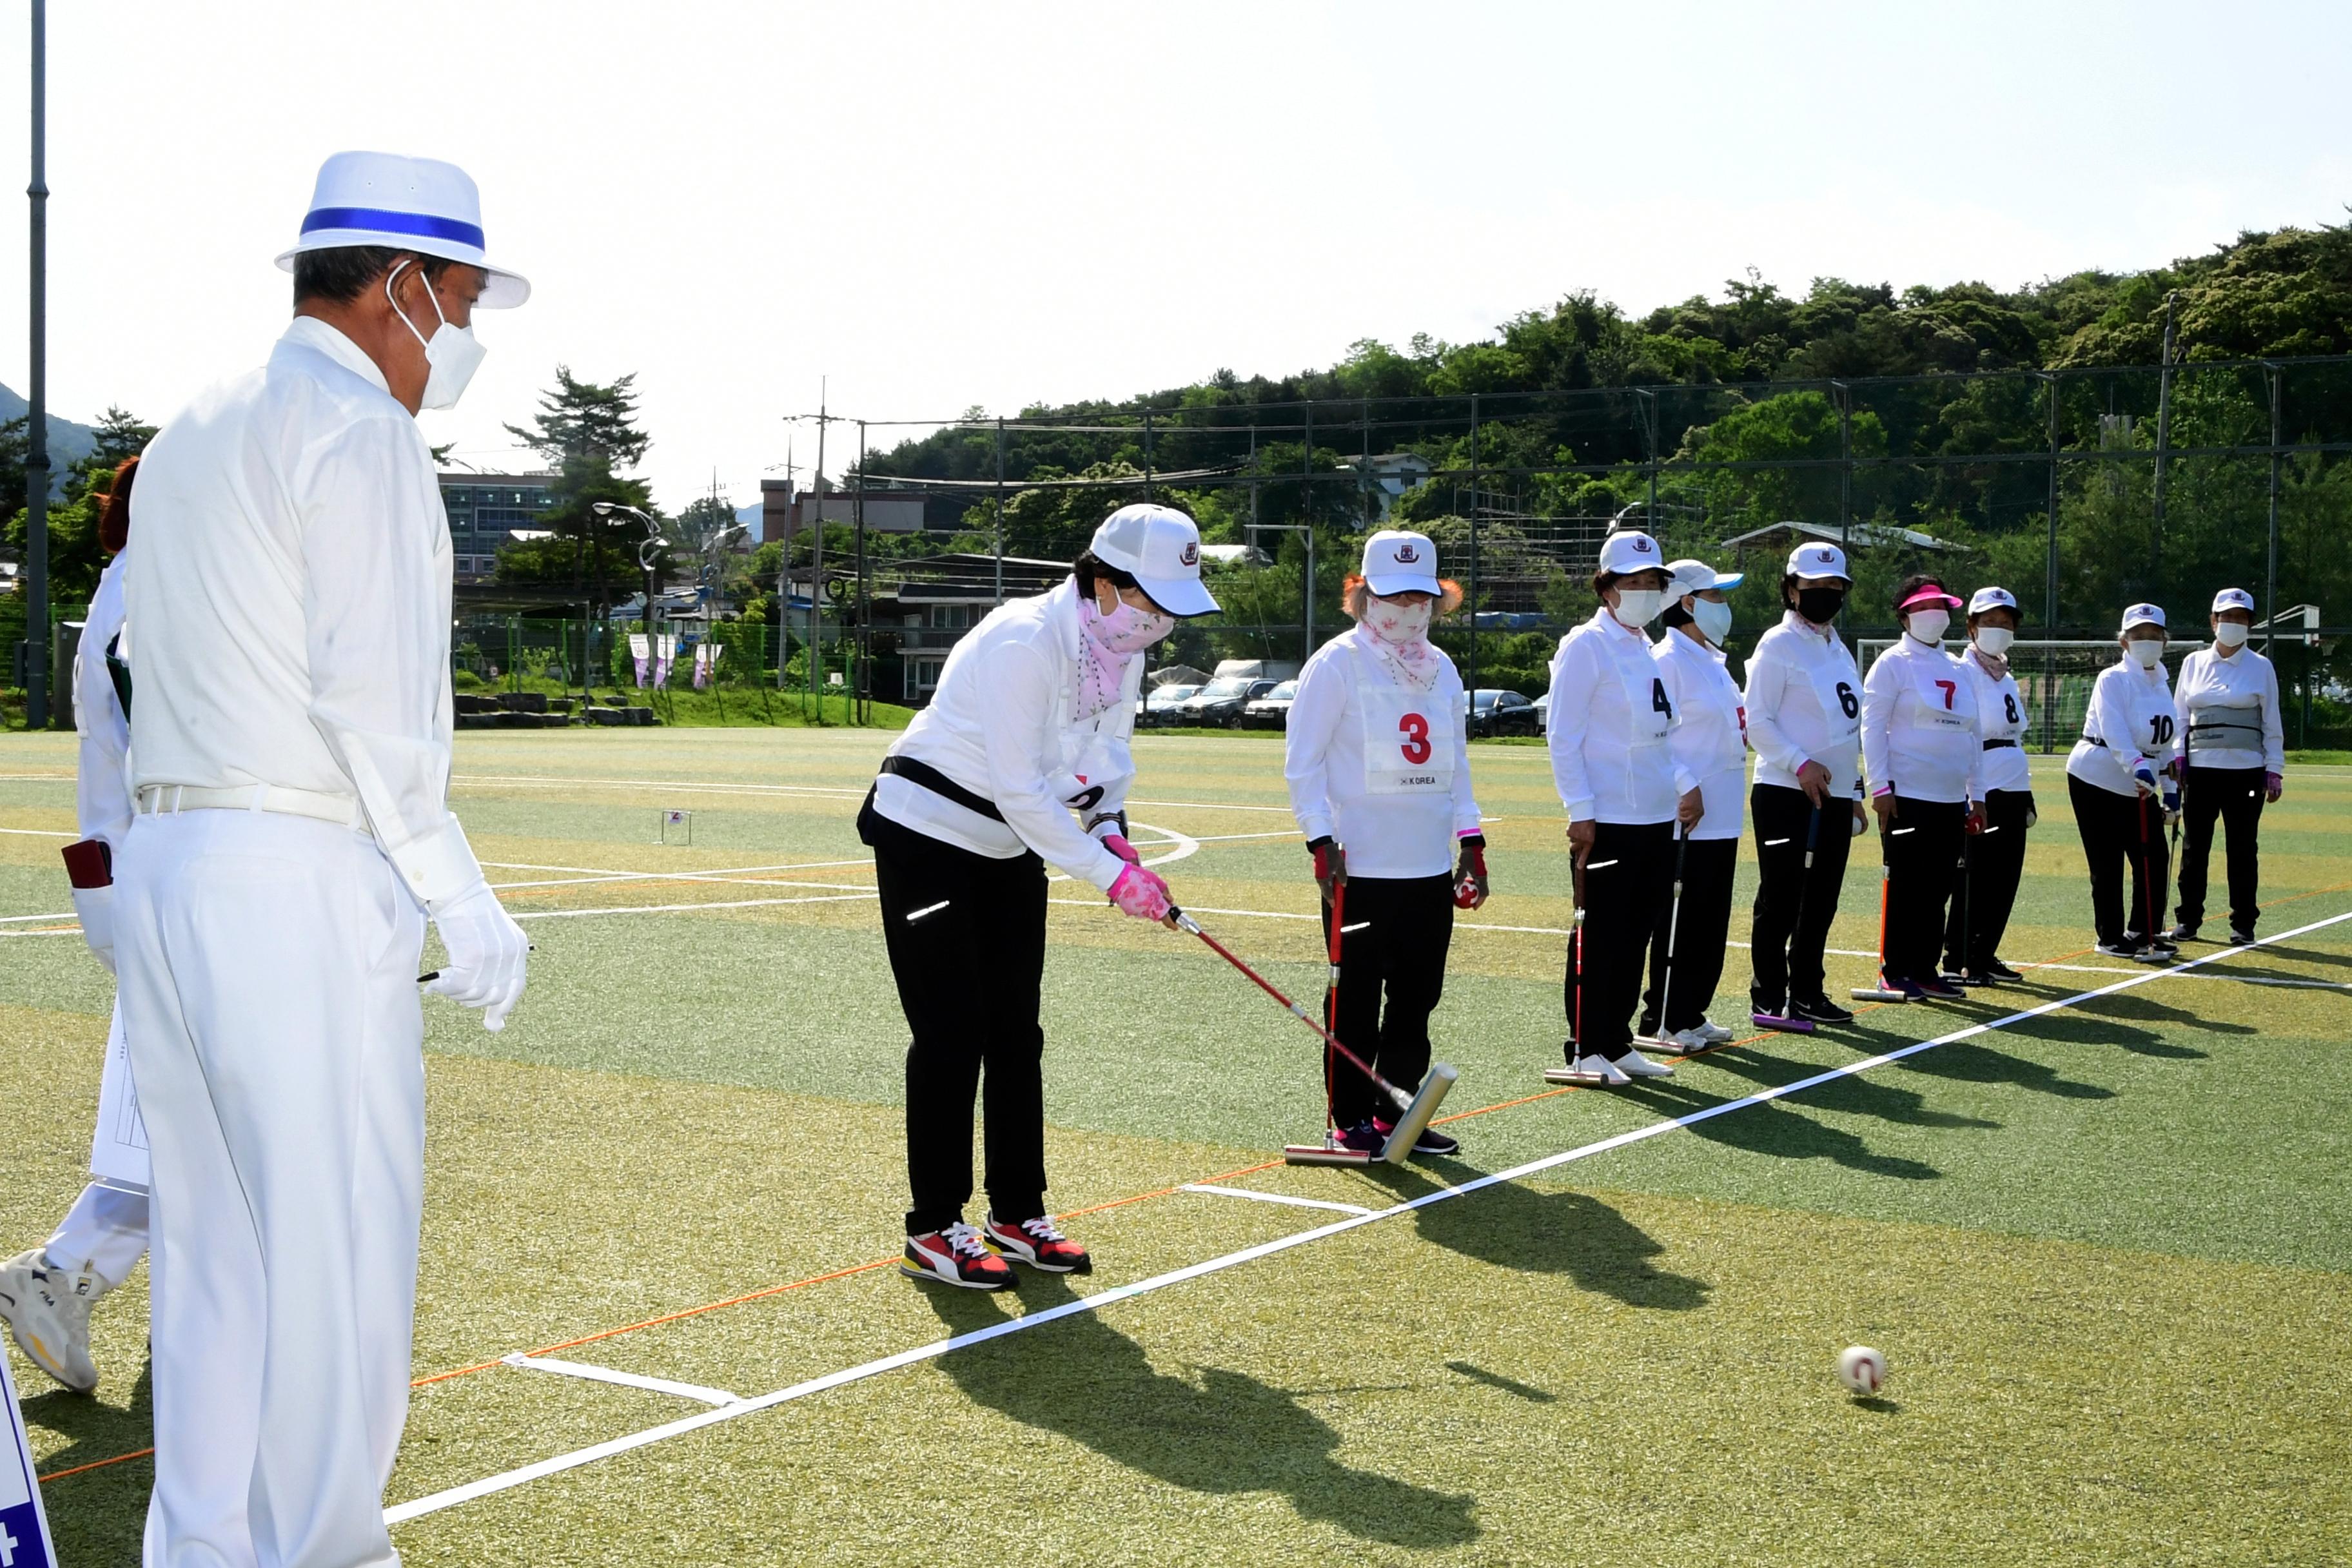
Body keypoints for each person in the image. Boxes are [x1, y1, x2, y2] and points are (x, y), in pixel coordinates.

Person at [115, 152, 532, 1566]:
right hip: (294, 864)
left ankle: (206, 1549)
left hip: (168, 862)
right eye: (463, 300)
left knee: (217, 1254)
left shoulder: (192, 429)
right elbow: (374, 692)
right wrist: (455, 884)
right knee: (339, 1243)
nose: (466, 336)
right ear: (404, 285)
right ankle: (328, 1551)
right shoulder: (356, 432)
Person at [862, 504, 1217, 1289]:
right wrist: (1108, 874)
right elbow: (1023, 786)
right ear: (1101, 581)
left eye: (1170, 612)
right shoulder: (1024, 640)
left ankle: (1017, 1211)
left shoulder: (1118, 649)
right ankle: (934, 1225)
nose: (1157, 624)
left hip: (1007, 845)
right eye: (1150, 603)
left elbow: (1105, 753)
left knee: (1016, 1032)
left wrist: (1114, 827)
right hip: (927, 834)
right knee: (952, 1031)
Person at [0, 461, 148, 1395]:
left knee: (181, 1123)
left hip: (132, 873)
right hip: (159, 878)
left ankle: (69, 1276)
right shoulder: (154, 588)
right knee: (193, 1127)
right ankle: (60, 1271)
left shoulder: (123, 581)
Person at [1284, 530, 1485, 1157]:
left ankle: (1399, 1111)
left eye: (1422, 595)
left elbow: (1456, 764)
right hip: (1359, 867)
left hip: (1426, 866)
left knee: (1416, 1000)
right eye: (1396, 594)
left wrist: (1470, 842)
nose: (1410, 607)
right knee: (1356, 997)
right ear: (1365, 593)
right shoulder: (1336, 663)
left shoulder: (1442, 668)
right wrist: (1321, 839)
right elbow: (1303, 763)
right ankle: (1348, 1120)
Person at [1545, 529, 1680, 1084]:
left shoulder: (1644, 647)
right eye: (1634, 582)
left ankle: (1617, 1040)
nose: (1645, 591)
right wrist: (1580, 810)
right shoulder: (1586, 645)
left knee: (1638, 932)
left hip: (1653, 815)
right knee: (1600, 933)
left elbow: (1661, 732)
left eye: (1653, 583)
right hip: (1607, 817)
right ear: (1607, 587)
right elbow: (1563, 735)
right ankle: (1585, 1045)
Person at [1742, 542, 1868, 1028]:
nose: (1826, 595)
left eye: (1835, 587)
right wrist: (1800, 764)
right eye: (1814, 587)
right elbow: (1757, 720)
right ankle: (1769, 996)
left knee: (1822, 897)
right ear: (1792, 590)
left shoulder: (1836, 645)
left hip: (1834, 794)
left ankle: (1808, 992)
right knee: (1782, 894)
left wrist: (1854, 790)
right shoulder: (1777, 643)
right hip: (1784, 790)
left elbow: (1844, 724)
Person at [1638, 556, 1748, 1049]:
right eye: (1716, 597)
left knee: (1710, 918)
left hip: (1723, 814)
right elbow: (1654, 737)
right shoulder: (1665, 661)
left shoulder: (1713, 664)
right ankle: (1662, 1016)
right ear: (1687, 603)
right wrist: (1685, 783)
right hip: (1688, 814)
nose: (1724, 607)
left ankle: (1691, 1010)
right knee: (1679, 917)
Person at [1859, 575, 1982, 1000]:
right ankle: (1894, 969)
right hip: (1907, 794)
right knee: (1907, 886)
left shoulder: (1959, 669)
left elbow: (1973, 733)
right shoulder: (1892, 663)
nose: (1935, 614)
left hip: (1950, 799)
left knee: (1939, 888)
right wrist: (1880, 786)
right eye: (1924, 606)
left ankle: (1926, 968)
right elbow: (1872, 727)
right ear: (1904, 615)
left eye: (1941, 605)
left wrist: (1976, 794)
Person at [2168, 588, 2285, 945]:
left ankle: (2243, 924)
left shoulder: (2261, 667)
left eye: (2241, 619)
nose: (2233, 624)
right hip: (2201, 770)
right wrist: (2178, 755)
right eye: (2227, 617)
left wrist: (2274, 768)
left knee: (2243, 847)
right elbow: (2180, 715)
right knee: (2195, 847)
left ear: (2250, 624)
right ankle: (2188, 920)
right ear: (2213, 621)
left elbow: (2271, 722)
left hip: (2247, 772)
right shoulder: (2193, 663)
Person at [2065, 603, 2179, 959]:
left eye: (2153, 635)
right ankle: (2110, 937)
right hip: (2096, 776)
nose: (2146, 641)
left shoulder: (2161, 683)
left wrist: (2171, 789)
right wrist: (2137, 766)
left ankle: (2143, 930)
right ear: (2124, 641)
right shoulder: (2112, 679)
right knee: (2108, 861)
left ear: (2164, 640)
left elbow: (2162, 742)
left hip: (2139, 780)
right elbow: (2114, 730)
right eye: (2137, 636)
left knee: (2154, 855)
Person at [1943, 586, 2035, 983]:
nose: (1999, 629)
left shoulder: (2005, 675)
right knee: (1974, 875)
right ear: (1972, 627)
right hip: (1980, 782)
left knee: (2006, 875)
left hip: (2013, 780)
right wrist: (1969, 790)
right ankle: (1960, 956)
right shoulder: (1961, 671)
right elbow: (1963, 732)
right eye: (1990, 622)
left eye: (2006, 623)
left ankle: (1986, 951)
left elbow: (2014, 734)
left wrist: (2027, 793)